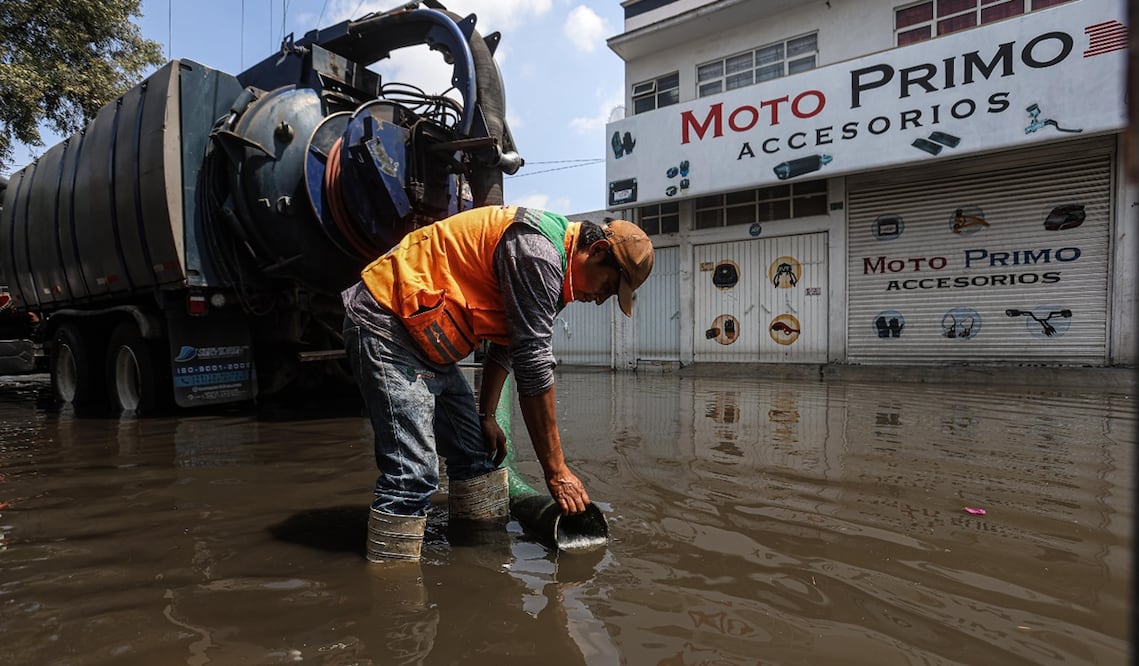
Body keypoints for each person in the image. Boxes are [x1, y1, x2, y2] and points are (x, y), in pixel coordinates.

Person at [342, 204, 654, 563]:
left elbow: (506, 346)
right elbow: (533, 366)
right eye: (608, 287)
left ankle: (481, 565)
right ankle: (394, 595)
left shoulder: (560, 279)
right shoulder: (538, 254)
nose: (600, 300)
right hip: (388, 323)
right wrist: (557, 473)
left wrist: (487, 414)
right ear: (596, 251)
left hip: (425, 340)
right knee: (412, 476)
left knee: (477, 454)